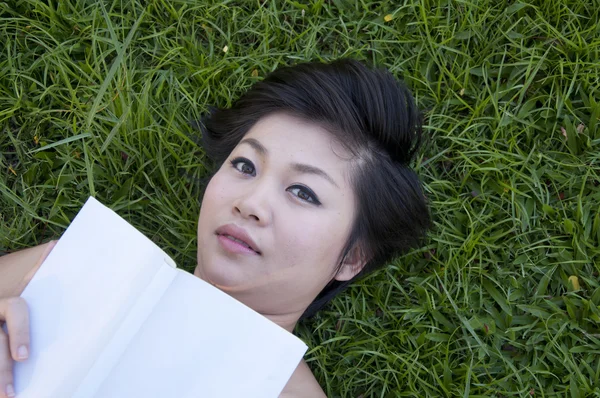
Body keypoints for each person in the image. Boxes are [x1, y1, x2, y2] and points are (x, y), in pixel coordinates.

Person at [0, 59, 430, 397]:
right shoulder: (63, 268)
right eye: (245, 165)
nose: (251, 203)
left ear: (352, 257)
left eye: (303, 192)